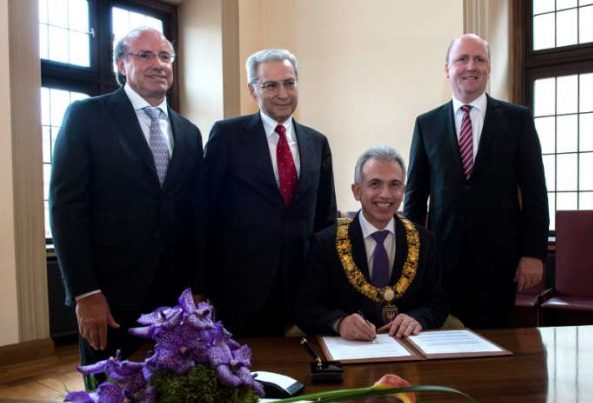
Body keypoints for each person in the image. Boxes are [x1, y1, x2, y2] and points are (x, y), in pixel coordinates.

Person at [49, 27, 205, 371]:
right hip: (110, 298)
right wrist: (86, 294)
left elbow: (196, 217)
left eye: (165, 56)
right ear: (121, 64)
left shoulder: (190, 134)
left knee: (171, 395)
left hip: (175, 300)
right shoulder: (86, 118)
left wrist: (197, 289)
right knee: (109, 401)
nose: (158, 64)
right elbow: (66, 210)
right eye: (145, 55)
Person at [404, 34, 549, 329]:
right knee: (443, 346)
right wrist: (413, 258)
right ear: (447, 69)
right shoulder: (426, 124)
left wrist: (533, 253)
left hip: (500, 264)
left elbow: (535, 192)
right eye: (462, 59)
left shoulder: (517, 120)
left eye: (479, 59)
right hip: (442, 262)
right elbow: (415, 196)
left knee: (495, 351)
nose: (471, 66)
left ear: (489, 68)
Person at [204, 49, 337, 337]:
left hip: (302, 289)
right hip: (241, 291)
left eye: (289, 83)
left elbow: (325, 219)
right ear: (252, 90)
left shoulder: (317, 142)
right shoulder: (227, 136)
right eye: (270, 85)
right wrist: (205, 288)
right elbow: (205, 213)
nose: (282, 93)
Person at [296, 146, 447, 340]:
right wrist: (339, 322)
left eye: (394, 184)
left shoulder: (425, 240)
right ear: (357, 191)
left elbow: (438, 301)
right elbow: (307, 307)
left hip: (408, 351)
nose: (385, 194)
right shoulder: (326, 243)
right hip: (348, 352)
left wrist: (417, 318)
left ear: (403, 190)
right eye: (375, 184)